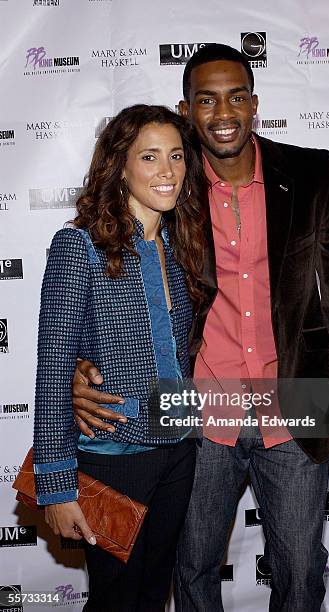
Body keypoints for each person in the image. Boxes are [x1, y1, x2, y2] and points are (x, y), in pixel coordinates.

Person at [70, 45, 329, 611]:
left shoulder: (311, 174)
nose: (223, 112)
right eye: (206, 100)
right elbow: (113, 274)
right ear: (187, 110)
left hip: (294, 406)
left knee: (302, 570)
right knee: (192, 569)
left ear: (255, 103)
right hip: (199, 413)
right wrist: (78, 365)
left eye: (236, 96)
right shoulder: (170, 185)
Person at [32, 104, 208, 612]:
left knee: (154, 594)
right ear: (120, 165)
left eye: (176, 156)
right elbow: (54, 366)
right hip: (113, 458)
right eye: (149, 157)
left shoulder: (181, 244)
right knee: (115, 600)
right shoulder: (78, 246)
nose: (168, 171)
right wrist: (58, 484)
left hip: (178, 452)